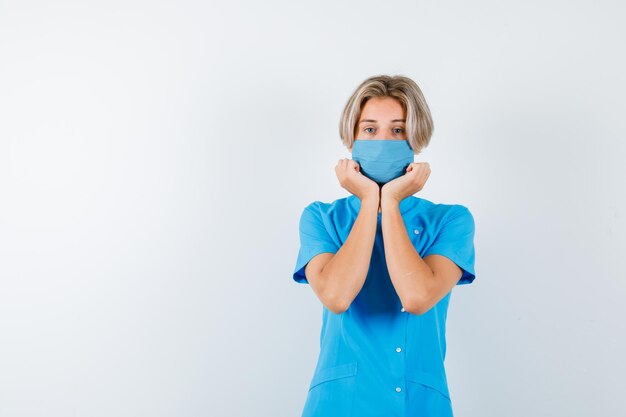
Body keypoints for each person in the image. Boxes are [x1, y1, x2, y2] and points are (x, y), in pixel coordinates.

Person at [292, 74, 476, 417]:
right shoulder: (321, 217)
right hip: (338, 404)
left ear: (416, 138)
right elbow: (336, 295)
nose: (383, 140)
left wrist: (389, 203)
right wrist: (367, 201)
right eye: (370, 129)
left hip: (419, 404)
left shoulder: (451, 221)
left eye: (398, 130)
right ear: (352, 137)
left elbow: (417, 297)